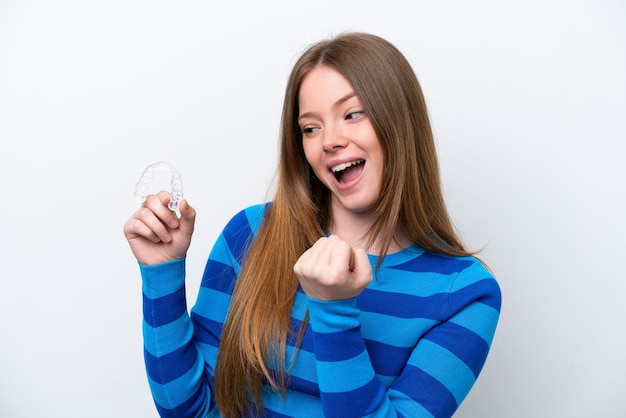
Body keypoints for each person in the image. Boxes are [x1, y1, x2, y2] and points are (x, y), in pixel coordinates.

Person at [124, 31, 501, 418]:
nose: (329, 141)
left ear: (400, 121)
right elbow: (191, 411)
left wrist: (333, 310)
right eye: (310, 127)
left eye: (352, 114)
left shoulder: (466, 294)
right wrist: (161, 274)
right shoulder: (251, 234)